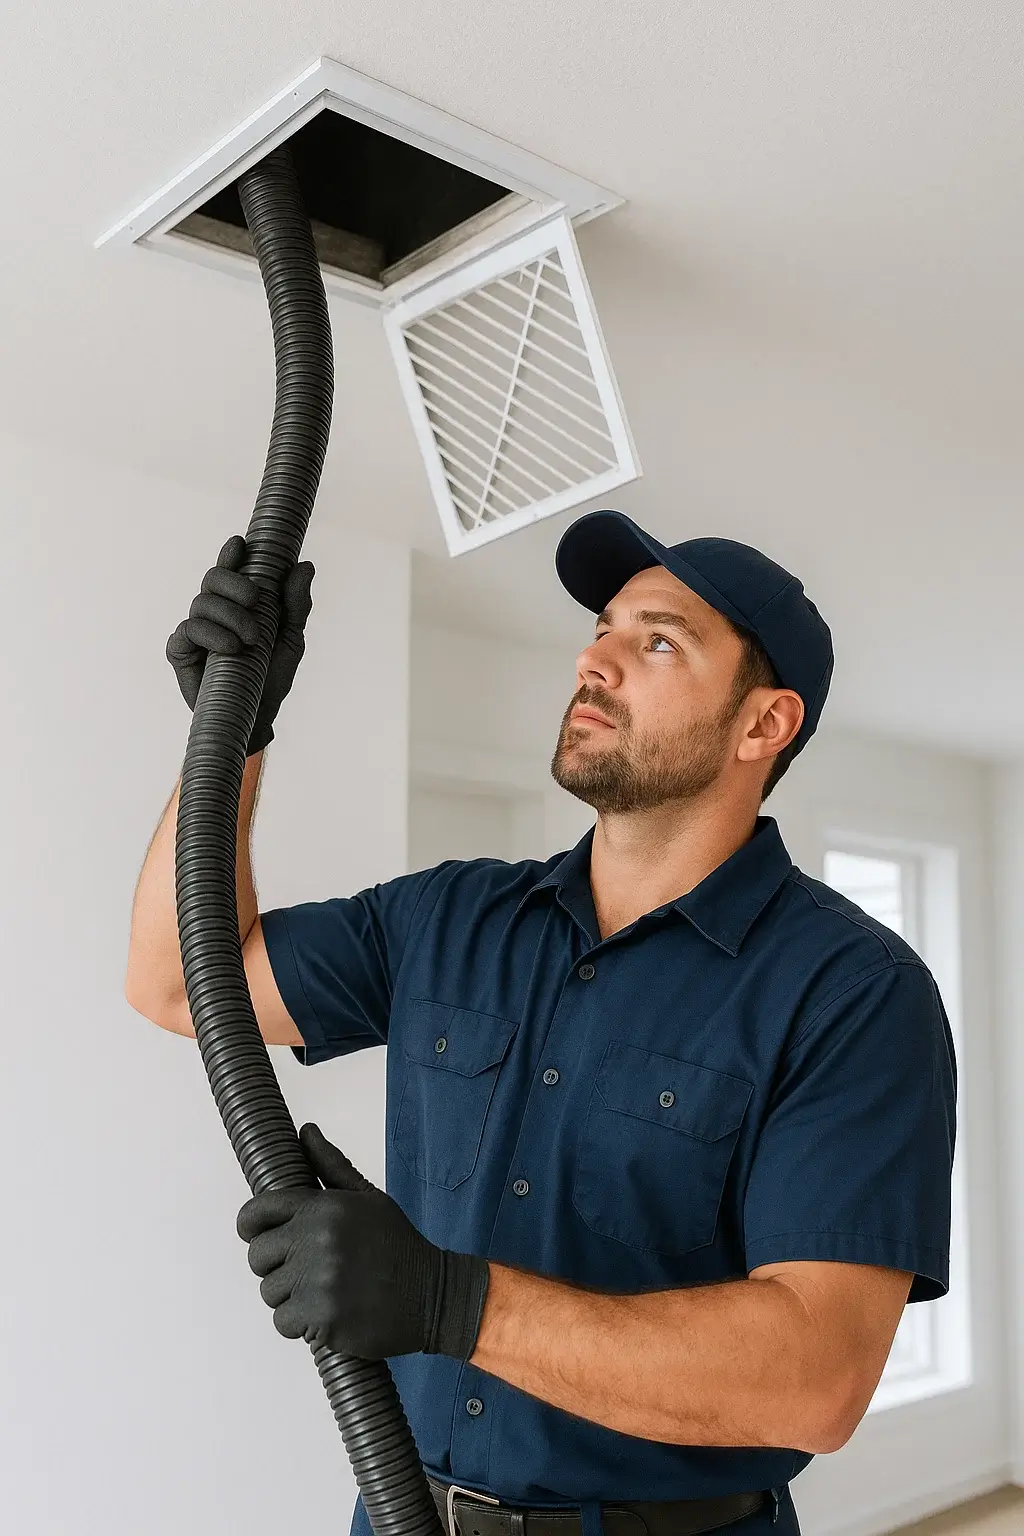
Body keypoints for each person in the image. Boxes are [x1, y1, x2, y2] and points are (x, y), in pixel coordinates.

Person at [126, 509, 957, 1536]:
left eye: (657, 639)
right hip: (398, 1514)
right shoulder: (451, 916)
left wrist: (450, 1302)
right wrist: (230, 728)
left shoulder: (853, 992)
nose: (595, 658)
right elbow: (178, 983)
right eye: (603, 627)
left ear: (762, 725)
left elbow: (817, 1381)